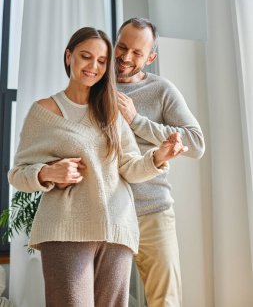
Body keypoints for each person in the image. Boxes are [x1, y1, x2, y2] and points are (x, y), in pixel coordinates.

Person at [8, 27, 188, 307]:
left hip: (117, 229)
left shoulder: (110, 112)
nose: (93, 66)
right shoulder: (43, 111)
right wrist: (46, 172)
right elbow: (17, 173)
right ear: (69, 57)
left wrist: (159, 156)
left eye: (102, 61)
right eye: (85, 56)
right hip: (66, 232)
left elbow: (129, 167)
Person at [115, 18, 205, 307]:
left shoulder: (162, 90)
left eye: (137, 53)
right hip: (106, 213)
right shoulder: (93, 85)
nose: (126, 57)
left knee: (165, 301)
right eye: (122, 47)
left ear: (150, 57)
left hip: (153, 211)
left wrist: (137, 121)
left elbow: (196, 142)